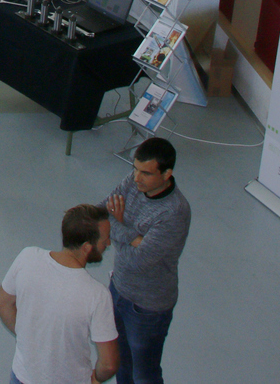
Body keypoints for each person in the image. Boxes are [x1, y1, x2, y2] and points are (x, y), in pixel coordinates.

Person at [0, 205, 121, 384]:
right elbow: (109, 364)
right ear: (86, 247)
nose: (108, 244)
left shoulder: (27, 257)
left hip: (22, 377)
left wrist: (29, 339)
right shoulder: (97, 295)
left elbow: (2, 303)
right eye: (105, 240)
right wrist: (96, 379)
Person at [104, 137, 190, 384]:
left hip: (147, 309)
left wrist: (117, 226)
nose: (136, 178)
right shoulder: (134, 182)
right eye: (135, 169)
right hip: (118, 290)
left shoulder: (174, 212)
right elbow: (103, 209)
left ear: (167, 173)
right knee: (121, 362)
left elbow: (138, 261)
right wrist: (132, 236)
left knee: (144, 375)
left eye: (145, 173)